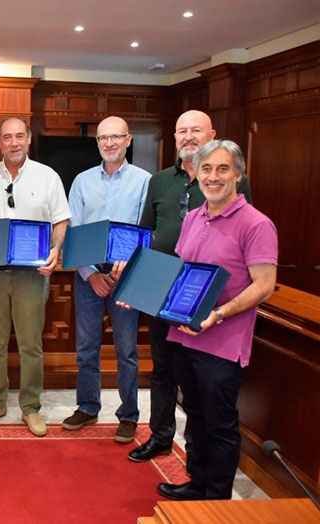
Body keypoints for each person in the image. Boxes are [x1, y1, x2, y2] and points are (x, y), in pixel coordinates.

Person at [114, 140, 277, 500]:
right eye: (206, 169)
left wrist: (218, 315)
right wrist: (138, 292)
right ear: (197, 174)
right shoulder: (193, 217)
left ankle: (215, 498)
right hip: (184, 336)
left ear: (238, 174)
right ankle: (197, 484)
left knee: (219, 424)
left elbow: (265, 285)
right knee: (195, 416)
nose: (213, 177)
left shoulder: (256, 224)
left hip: (222, 342)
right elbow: (178, 275)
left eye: (222, 169)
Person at [130, 110, 253, 462]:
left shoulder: (229, 180)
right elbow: (147, 237)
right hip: (163, 292)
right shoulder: (158, 181)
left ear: (211, 133)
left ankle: (201, 459)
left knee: (202, 382)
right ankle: (161, 436)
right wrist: (135, 282)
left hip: (210, 299)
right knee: (163, 368)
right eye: (181, 130)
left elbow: (242, 235)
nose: (188, 137)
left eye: (195, 130)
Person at [0, 117, 70, 437]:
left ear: (28, 140)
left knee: (30, 345)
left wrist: (55, 250)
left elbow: (60, 220)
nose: (14, 142)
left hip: (32, 274)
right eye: (7, 138)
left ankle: (30, 408)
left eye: (19, 136)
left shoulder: (47, 176)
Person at [61, 116, 151, 443]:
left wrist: (124, 268)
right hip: (89, 274)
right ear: (97, 142)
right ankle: (87, 406)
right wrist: (90, 274)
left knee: (126, 348)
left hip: (128, 273)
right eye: (103, 138)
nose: (109, 143)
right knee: (86, 347)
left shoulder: (144, 181)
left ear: (128, 140)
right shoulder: (83, 181)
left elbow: (147, 231)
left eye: (115, 137)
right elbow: (73, 231)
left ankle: (128, 415)